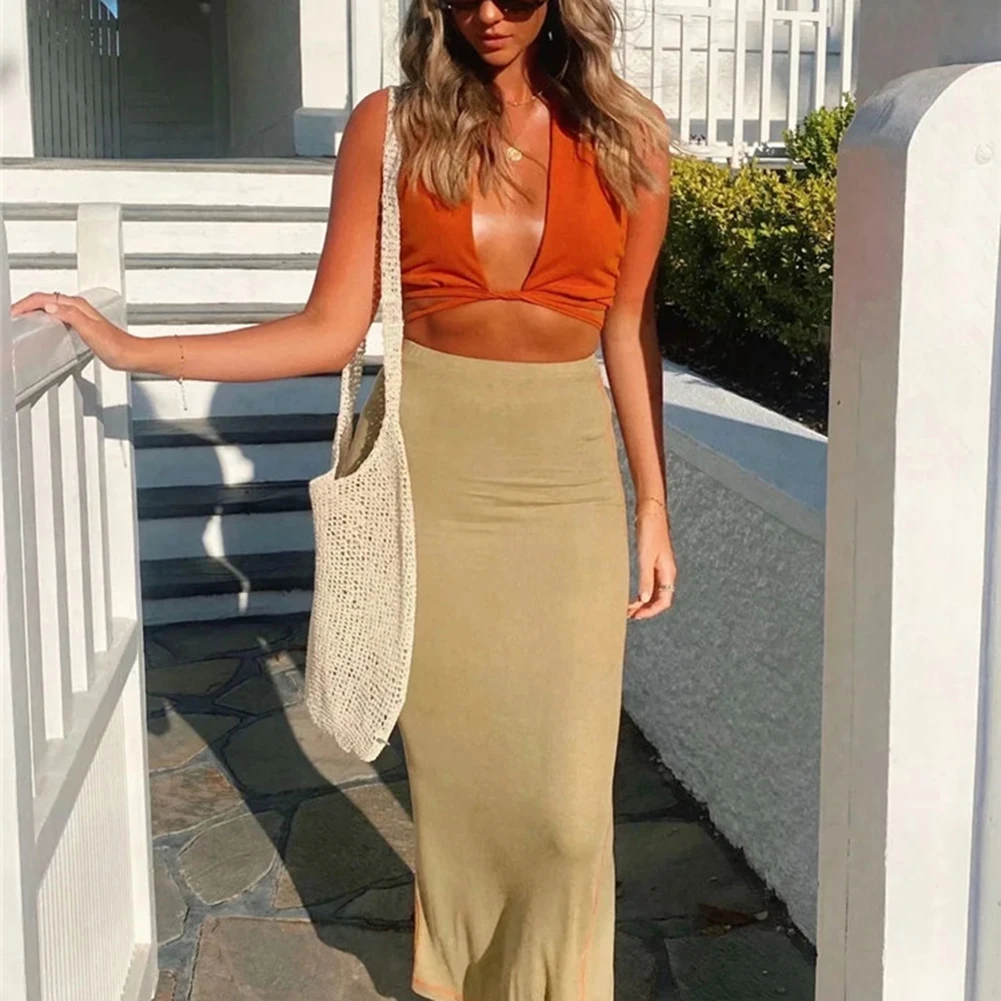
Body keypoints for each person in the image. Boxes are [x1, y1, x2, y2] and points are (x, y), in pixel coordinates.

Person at [13, 1, 677, 998]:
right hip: (431, 482)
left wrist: (650, 504)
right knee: (457, 787)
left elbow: (626, 330)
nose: (487, 15)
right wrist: (138, 349)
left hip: (566, 485)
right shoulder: (393, 126)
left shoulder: (629, 137)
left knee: (570, 814)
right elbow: (330, 327)